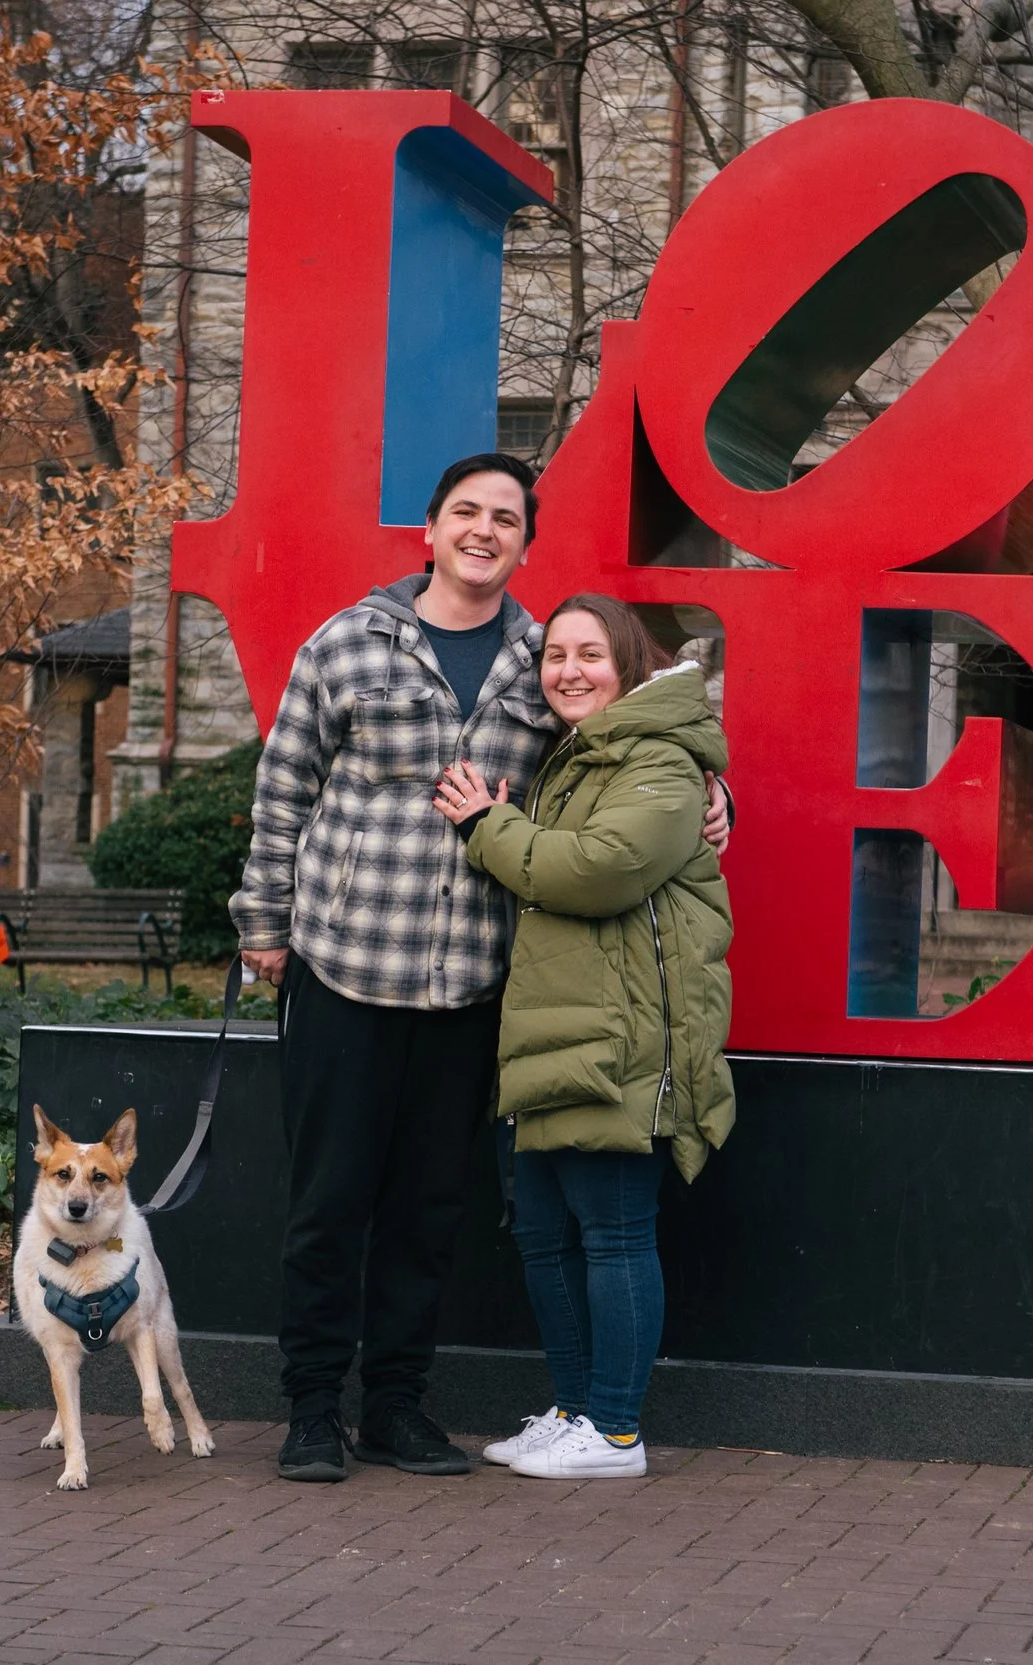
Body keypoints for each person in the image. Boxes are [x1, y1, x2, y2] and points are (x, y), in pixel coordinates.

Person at [230, 454, 730, 1483]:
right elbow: (281, 789)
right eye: (466, 511)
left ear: (524, 544)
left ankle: (398, 1409)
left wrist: (718, 798)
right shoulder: (349, 641)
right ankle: (313, 1410)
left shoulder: (536, 659)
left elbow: (625, 747)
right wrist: (262, 925)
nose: (484, 529)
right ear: (428, 530)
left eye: (505, 518)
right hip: (343, 967)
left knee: (428, 1213)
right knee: (328, 1207)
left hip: (472, 986)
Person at [431, 593, 735, 1480]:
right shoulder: (578, 755)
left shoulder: (662, 760)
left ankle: (614, 1431)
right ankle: (573, 1409)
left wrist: (487, 825)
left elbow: (600, 870)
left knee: (612, 1233)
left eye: (590, 654)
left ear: (630, 664)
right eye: (554, 654)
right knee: (542, 1233)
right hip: (554, 1031)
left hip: (624, 1040)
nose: (568, 670)